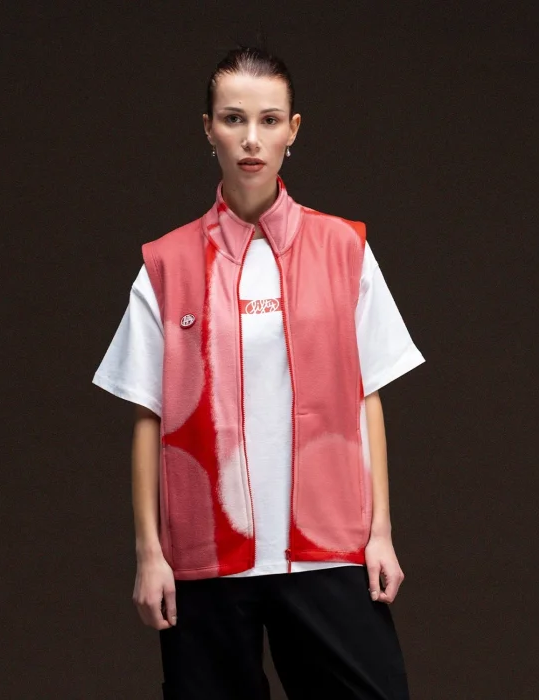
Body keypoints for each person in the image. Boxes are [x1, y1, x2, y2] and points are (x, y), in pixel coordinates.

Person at [92, 45, 425, 700]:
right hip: (205, 556)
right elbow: (148, 417)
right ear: (208, 128)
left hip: (329, 546)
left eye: (269, 120)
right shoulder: (166, 264)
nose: (251, 138)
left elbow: (368, 398)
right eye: (233, 118)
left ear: (292, 130)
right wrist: (150, 554)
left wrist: (380, 534)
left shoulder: (344, 250)